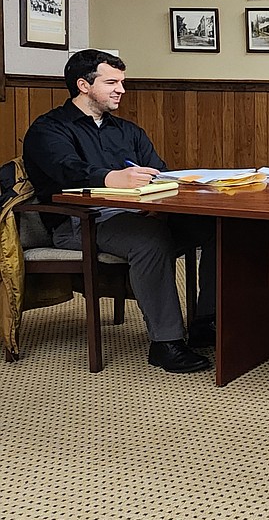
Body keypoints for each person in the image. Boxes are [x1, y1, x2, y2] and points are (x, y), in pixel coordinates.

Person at [22, 49, 216, 373]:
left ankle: (207, 321)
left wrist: (161, 193)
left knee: (215, 227)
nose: (121, 89)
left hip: (139, 213)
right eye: (111, 82)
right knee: (149, 239)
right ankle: (166, 343)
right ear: (83, 85)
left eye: (122, 82)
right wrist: (113, 179)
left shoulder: (128, 131)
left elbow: (159, 171)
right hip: (80, 221)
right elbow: (66, 171)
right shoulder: (48, 129)